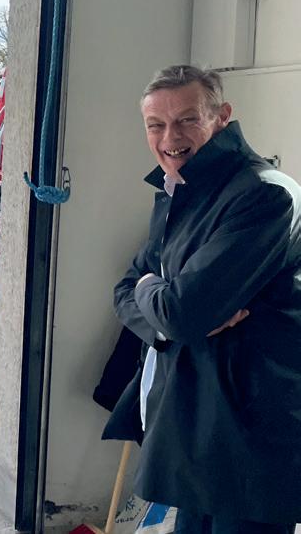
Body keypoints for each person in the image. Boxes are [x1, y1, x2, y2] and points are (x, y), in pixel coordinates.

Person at [109, 65, 301, 533]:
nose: (169, 137)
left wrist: (157, 295)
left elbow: (180, 313)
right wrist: (159, 308)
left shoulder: (263, 195)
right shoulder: (181, 189)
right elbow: (127, 289)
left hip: (250, 441)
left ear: (222, 116)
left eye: (187, 119)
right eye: (156, 124)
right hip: (196, 427)